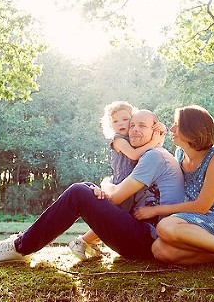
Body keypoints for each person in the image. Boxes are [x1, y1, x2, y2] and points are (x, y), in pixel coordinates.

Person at [0, 109, 183, 264]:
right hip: (143, 235)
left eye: (143, 126)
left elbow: (117, 198)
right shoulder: (152, 154)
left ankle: (19, 247)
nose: (134, 130)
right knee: (85, 187)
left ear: (155, 130)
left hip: (149, 241)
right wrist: (103, 187)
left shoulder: (154, 156)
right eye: (133, 125)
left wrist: (105, 184)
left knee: (79, 192)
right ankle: (23, 242)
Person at [133, 105, 214, 273]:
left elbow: (202, 206)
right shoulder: (180, 154)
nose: (171, 128)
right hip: (197, 220)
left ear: (191, 130)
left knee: (166, 226)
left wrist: (155, 210)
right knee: (159, 250)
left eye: (177, 125)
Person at [68, 101, 165, 260]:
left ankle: (90, 243)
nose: (120, 124)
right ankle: (81, 241)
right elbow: (134, 155)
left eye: (125, 119)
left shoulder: (135, 139)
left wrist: (158, 132)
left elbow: (153, 150)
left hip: (132, 186)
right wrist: (154, 141)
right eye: (115, 121)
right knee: (118, 216)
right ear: (110, 125)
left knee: (123, 218)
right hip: (122, 184)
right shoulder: (118, 140)